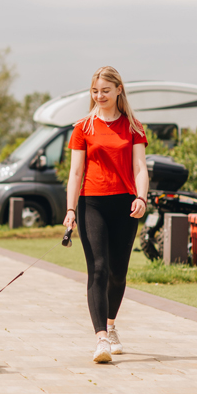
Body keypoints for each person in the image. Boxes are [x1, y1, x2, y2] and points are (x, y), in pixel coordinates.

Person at [63, 66, 149, 363]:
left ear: (118, 90)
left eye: (105, 91)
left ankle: (111, 325)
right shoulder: (83, 127)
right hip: (92, 204)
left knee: (118, 273)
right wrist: (71, 209)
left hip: (125, 204)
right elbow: (75, 173)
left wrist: (141, 197)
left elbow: (140, 167)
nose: (99, 96)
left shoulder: (133, 127)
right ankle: (101, 339)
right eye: (95, 91)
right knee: (98, 269)